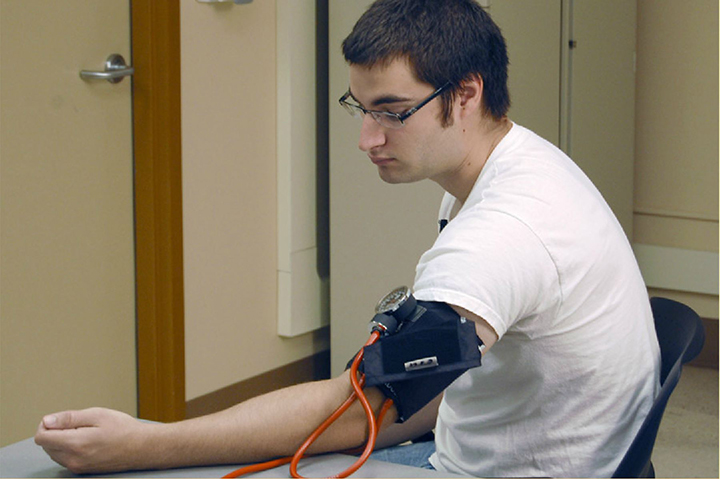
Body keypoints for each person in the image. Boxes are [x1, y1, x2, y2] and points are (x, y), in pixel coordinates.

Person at [34, 0, 660, 476]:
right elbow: (404, 395)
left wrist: (146, 443)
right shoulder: (519, 162)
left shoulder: (502, 234)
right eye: (359, 108)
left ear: (465, 93)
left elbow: (358, 408)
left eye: (391, 111)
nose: (368, 138)